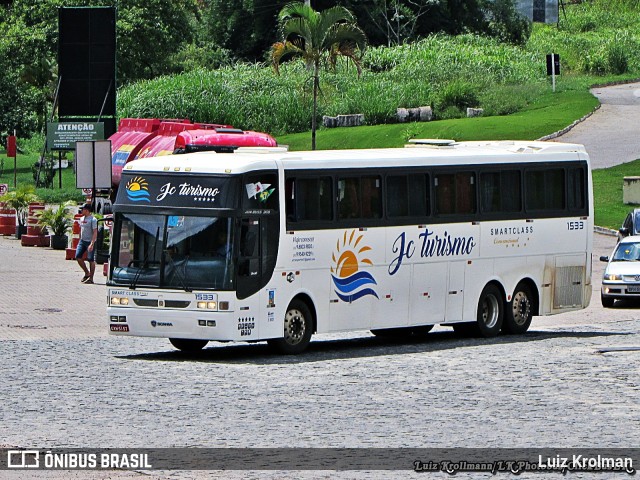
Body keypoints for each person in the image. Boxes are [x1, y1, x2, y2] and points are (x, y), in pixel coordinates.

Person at [76, 203, 98, 284]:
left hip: (89, 241)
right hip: (82, 241)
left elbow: (95, 232)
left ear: (87, 210)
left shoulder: (93, 220)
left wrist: (92, 243)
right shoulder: (81, 219)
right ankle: (86, 272)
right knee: (78, 256)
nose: (81, 211)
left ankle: (91, 278)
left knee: (90, 259)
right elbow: (80, 230)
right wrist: (79, 239)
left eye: (83, 209)